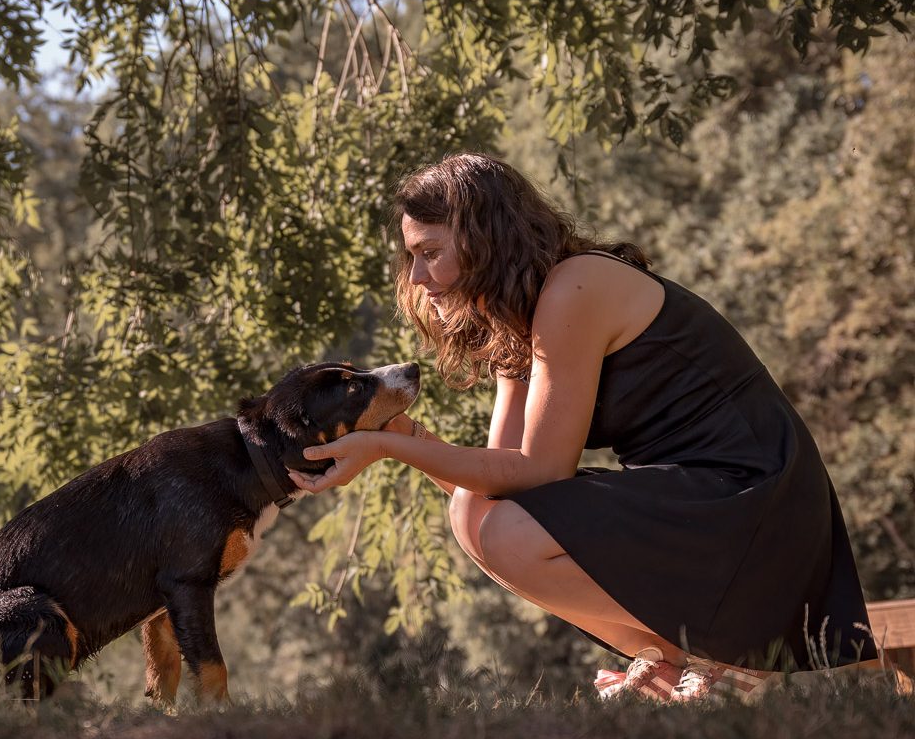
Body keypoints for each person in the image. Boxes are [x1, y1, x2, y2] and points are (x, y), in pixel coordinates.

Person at [288, 153, 878, 701]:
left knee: (503, 531)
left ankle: (726, 667)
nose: (416, 277)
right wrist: (406, 442)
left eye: (430, 251)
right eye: (411, 256)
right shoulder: (516, 322)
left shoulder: (575, 287)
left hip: (754, 497)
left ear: (483, 238)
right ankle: (682, 663)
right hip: (700, 502)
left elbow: (541, 473)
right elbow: (500, 486)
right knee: (474, 517)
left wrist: (387, 448)